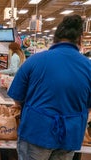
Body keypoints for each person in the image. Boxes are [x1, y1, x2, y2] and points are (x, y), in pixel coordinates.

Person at [7, 14, 91, 160]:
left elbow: (17, 98)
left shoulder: (34, 61)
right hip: (70, 135)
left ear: (54, 39)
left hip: (36, 131)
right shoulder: (88, 67)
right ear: (80, 40)